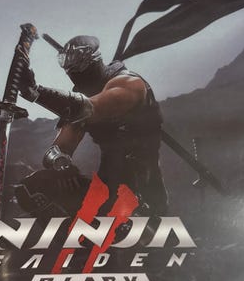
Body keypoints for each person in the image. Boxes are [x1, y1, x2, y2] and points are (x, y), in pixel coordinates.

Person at [18, 35, 168, 215]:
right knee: (35, 186)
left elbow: (90, 108)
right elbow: (58, 149)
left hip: (142, 192)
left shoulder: (129, 83)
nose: (74, 75)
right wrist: (61, 163)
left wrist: (36, 93)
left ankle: (130, 223)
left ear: (93, 62)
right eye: (70, 69)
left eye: (78, 67)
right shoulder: (78, 103)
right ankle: (76, 228)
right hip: (106, 188)